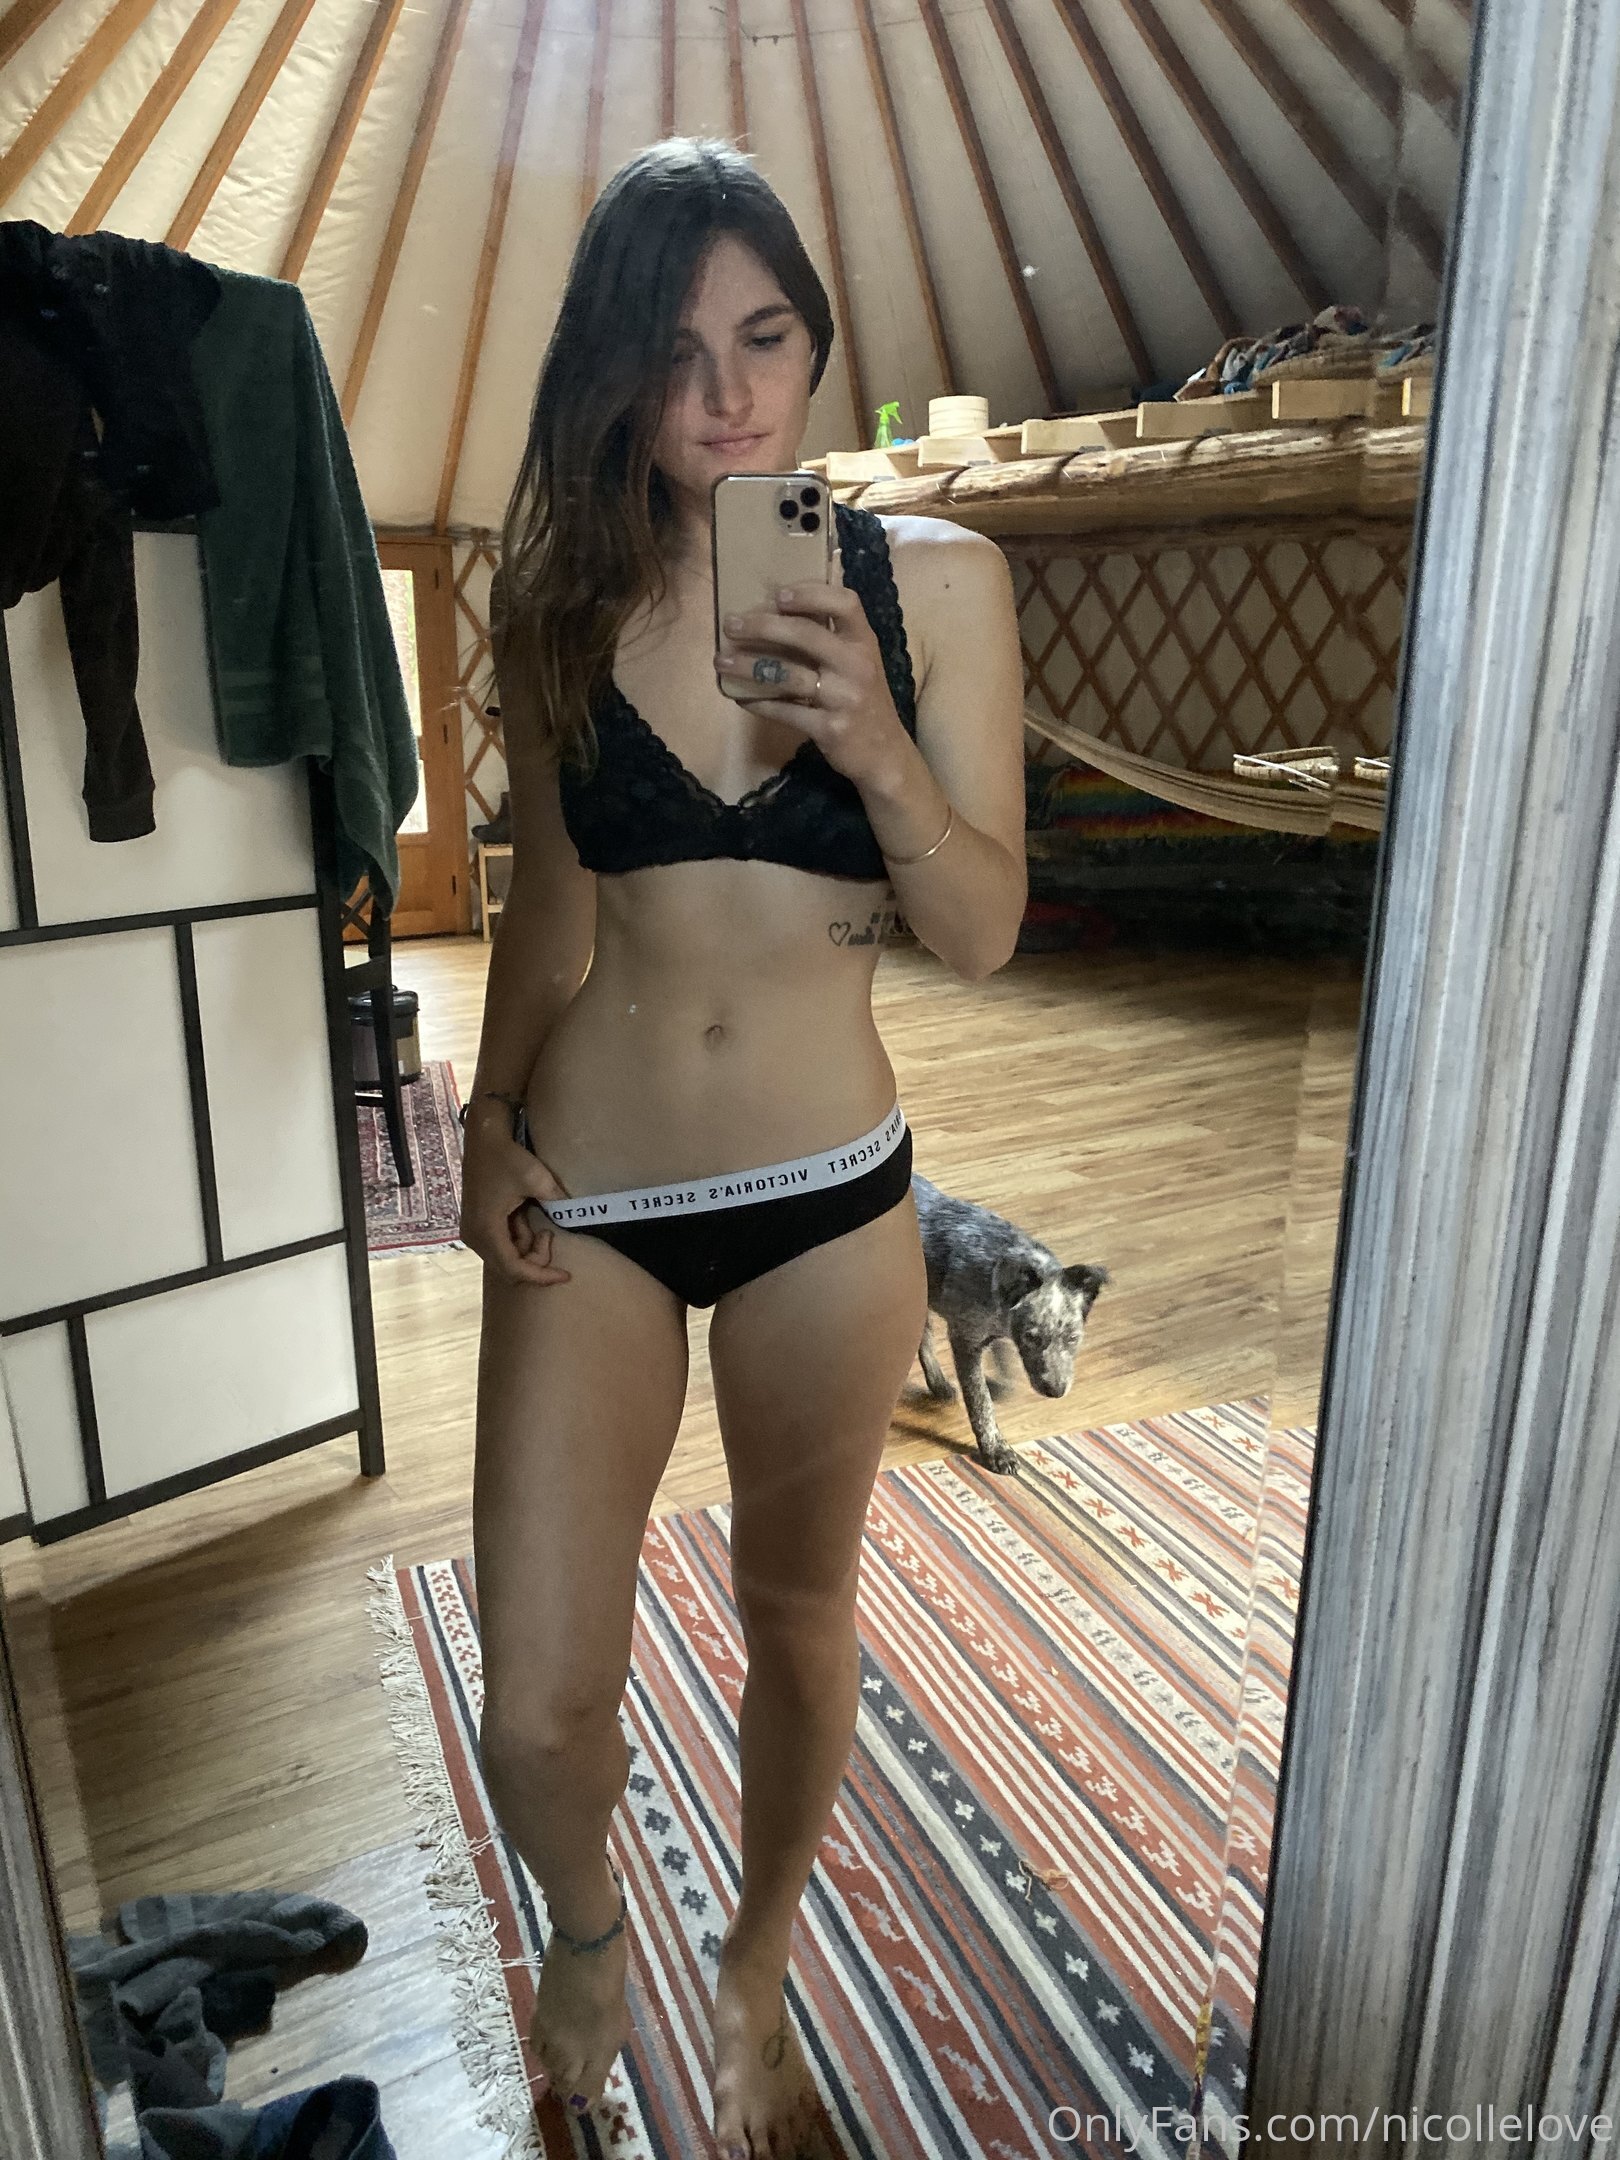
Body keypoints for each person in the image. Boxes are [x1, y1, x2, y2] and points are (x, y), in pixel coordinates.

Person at [459, 136, 1027, 2160]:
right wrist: (485, 1122)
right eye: (677, 352)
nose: (727, 397)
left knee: (798, 1613)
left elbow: (982, 929)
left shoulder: (939, 587)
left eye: (767, 339)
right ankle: (590, 1929)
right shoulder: (561, 598)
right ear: (610, 371)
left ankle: (758, 1963)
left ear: (815, 341)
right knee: (538, 1701)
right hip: (596, 1193)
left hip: (827, 1200)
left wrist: (872, 738)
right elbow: (550, 913)